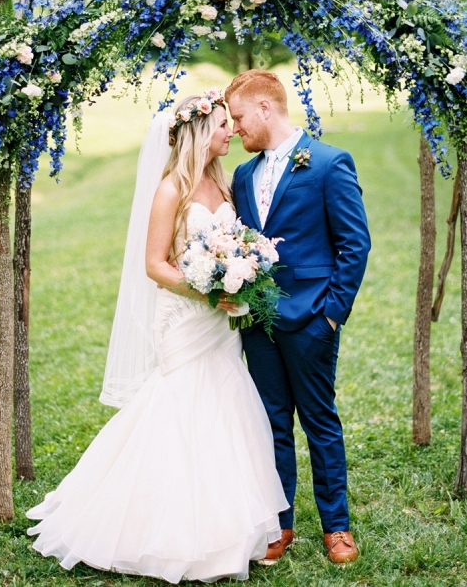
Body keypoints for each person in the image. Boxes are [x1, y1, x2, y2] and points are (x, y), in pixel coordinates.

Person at [26, 92, 288, 583]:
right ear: (198, 134)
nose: (231, 131)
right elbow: (153, 265)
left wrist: (240, 273)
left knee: (225, 405)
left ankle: (228, 528)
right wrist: (207, 290)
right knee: (178, 406)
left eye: (232, 124)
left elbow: (232, 244)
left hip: (219, 322)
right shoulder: (171, 190)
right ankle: (157, 528)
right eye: (222, 126)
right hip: (185, 319)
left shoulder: (223, 183)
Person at [226, 70, 371, 565]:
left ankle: (337, 527)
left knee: (319, 421)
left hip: (312, 318)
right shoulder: (242, 176)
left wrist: (331, 315)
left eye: (241, 118)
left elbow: (355, 245)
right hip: (258, 320)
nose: (236, 129)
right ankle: (279, 524)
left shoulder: (329, 164)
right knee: (270, 423)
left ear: (266, 109)